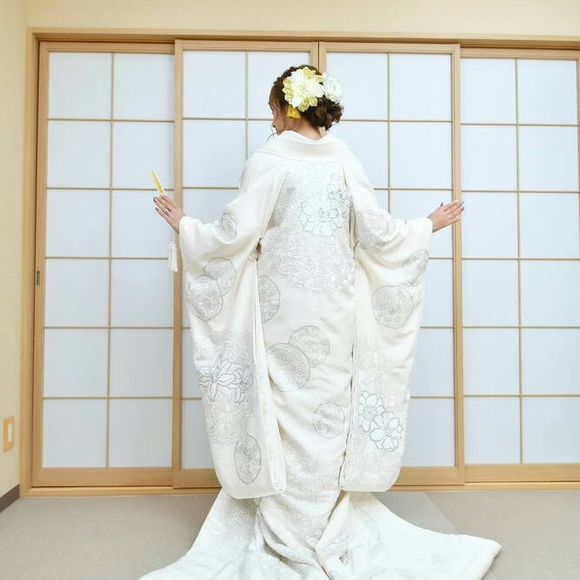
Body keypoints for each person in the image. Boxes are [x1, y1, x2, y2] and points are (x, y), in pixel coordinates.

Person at [144, 65, 501, 579]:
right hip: (336, 311)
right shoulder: (344, 161)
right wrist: (426, 225)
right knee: (326, 411)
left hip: (282, 310)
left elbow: (232, 235)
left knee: (288, 411)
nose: (271, 120)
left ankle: (293, 530)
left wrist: (185, 226)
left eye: (272, 110)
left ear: (288, 107)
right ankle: (323, 524)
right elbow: (378, 235)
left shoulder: (268, 161)